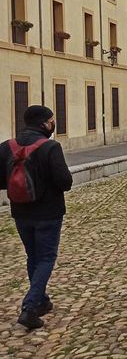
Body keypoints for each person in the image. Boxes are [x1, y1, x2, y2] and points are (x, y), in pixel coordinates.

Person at [0, 106, 72, 330]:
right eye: (51, 120)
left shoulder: (7, 146)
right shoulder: (50, 147)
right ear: (44, 123)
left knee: (33, 256)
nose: (53, 124)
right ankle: (30, 307)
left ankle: (41, 301)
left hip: (20, 212)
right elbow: (65, 182)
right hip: (48, 212)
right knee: (46, 258)